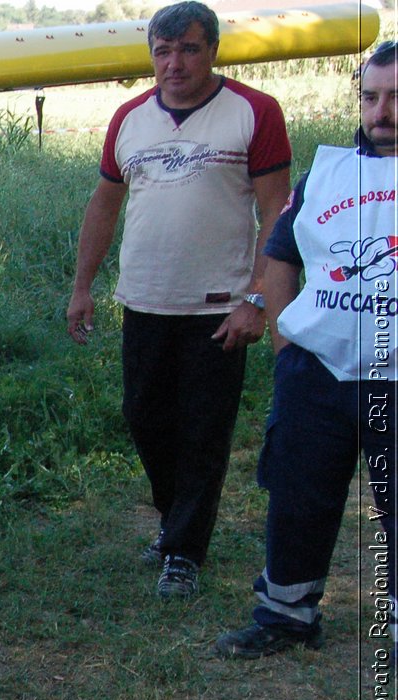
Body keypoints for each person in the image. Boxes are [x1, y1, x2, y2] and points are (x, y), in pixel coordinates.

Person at [67, 1, 292, 600]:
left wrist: (259, 300)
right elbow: (105, 203)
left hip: (220, 304)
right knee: (146, 421)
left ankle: (185, 551)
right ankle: (174, 521)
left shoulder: (255, 112)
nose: (174, 64)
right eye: (162, 52)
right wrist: (83, 287)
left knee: (203, 430)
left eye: (188, 49)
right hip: (144, 301)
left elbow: (278, 210)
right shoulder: (130, 119)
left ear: (212, 51)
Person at [215, 42, 398, 658]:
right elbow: (282, 256)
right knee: (299, 492)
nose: (382, 111)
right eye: (371, 96)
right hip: (317, 370)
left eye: (396, 97)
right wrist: (286, 339)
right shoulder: (330, 172)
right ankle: (286, 613)